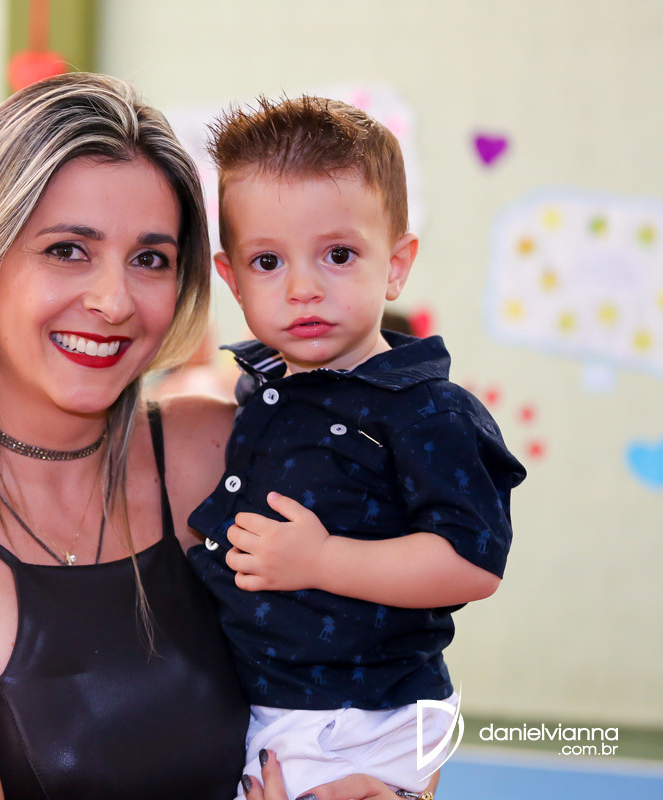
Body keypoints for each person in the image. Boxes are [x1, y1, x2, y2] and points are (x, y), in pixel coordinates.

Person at [0, 73, 427, 800]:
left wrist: (396, 788)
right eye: (68, 250)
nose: (113, 300)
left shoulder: (223, 452)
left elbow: (392, 691)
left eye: (150, 259)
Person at [186, 96, 527, 799]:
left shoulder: (426, 409)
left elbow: (471, 563)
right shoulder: (260, 391)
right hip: (263, 705)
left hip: (363, 718)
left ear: (396, 265)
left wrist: (322, 560)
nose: (303, 288)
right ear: (232, 279)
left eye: (338, 255)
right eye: (268, 261)